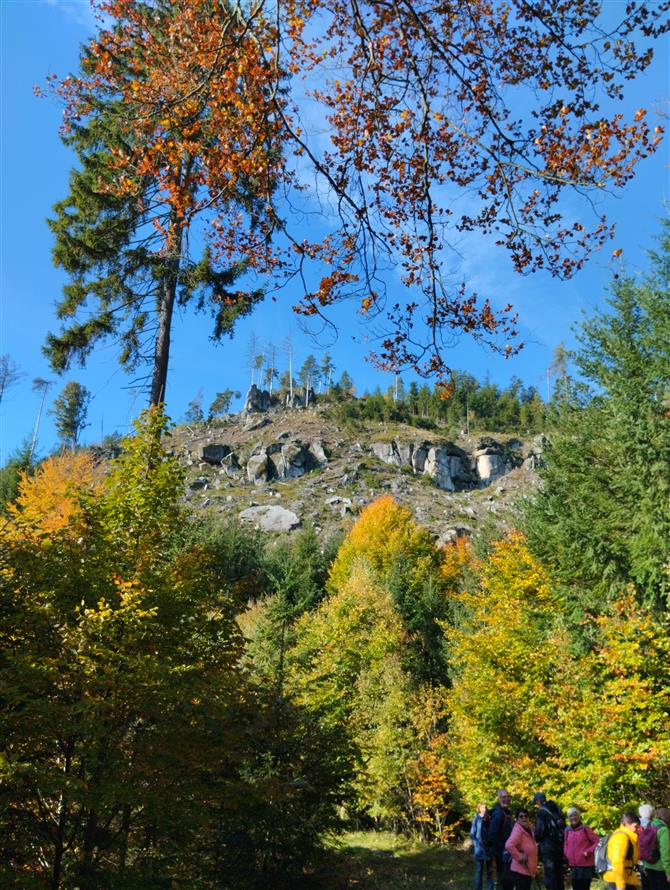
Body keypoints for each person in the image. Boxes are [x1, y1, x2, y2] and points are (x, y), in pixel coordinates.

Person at [534, 791, 566, 890]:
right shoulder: (556, 808)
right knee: (559, 873)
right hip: (560, 846)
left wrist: (536, 838)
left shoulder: (541, 812)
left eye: (536, 802)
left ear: (539, 801)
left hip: (548, 848)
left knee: (550, 874)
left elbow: (539, 831)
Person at [563, 806, 599, 890]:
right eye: (570, 816)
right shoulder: (567, 830)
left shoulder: (585, 829)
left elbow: (597, 842)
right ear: (568, 818)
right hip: (573, 866)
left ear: (579, 816)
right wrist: (566, 853)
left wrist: (588, 851)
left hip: (585, 865)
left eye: (575, 815)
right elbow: (565, 844)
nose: (573, 818)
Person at [604, 811, 641, 890]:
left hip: (626, 878)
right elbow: (617, 863)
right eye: (636, 826)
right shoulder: (621, 837)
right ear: (627, 824)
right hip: (618, 881)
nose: (637, 829)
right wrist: (620, 886)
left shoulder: (628, 837)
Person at [505, 808, 539, 890]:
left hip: (527, 870)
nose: (524, 818)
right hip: (521, 870)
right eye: (521, 816)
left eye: (526, 816)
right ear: (517, 819)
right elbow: (509, 845)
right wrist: (519, 856)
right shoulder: (518, 830)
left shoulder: (528, 829)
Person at [490, 789, 515, 890]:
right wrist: (504, 849)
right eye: (503, 797)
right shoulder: (498, 814)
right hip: (502, 854)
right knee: (503, 881)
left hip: (508, 853)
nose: (506, 799)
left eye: (508, 797)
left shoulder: (507, 812)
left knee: (508, 881)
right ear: (499, 798)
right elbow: (492, 835)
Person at [644, 807, 670, 889]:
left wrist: (645, 865)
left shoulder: (649, 825)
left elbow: (644, 847)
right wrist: (668, 872)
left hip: (648, 866)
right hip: (660, 868)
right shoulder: (663, 829)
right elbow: (665, 853)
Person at [471, 803, 495, 890]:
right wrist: (476, 845)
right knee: (479, 871)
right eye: (482, 808)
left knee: (490, 872)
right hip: (479, 850)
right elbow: (472, 833)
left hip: (489, 849)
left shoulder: (490, 818)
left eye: (485, 807)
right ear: (479, 809)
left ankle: (490, 888)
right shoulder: (476, 818)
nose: (484, 809)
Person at [638, 805, 657, 890]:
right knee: (653, 882)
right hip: (652, 857)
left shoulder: (636, 824)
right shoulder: (653, 824)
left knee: (645, 882)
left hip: (640, 858)